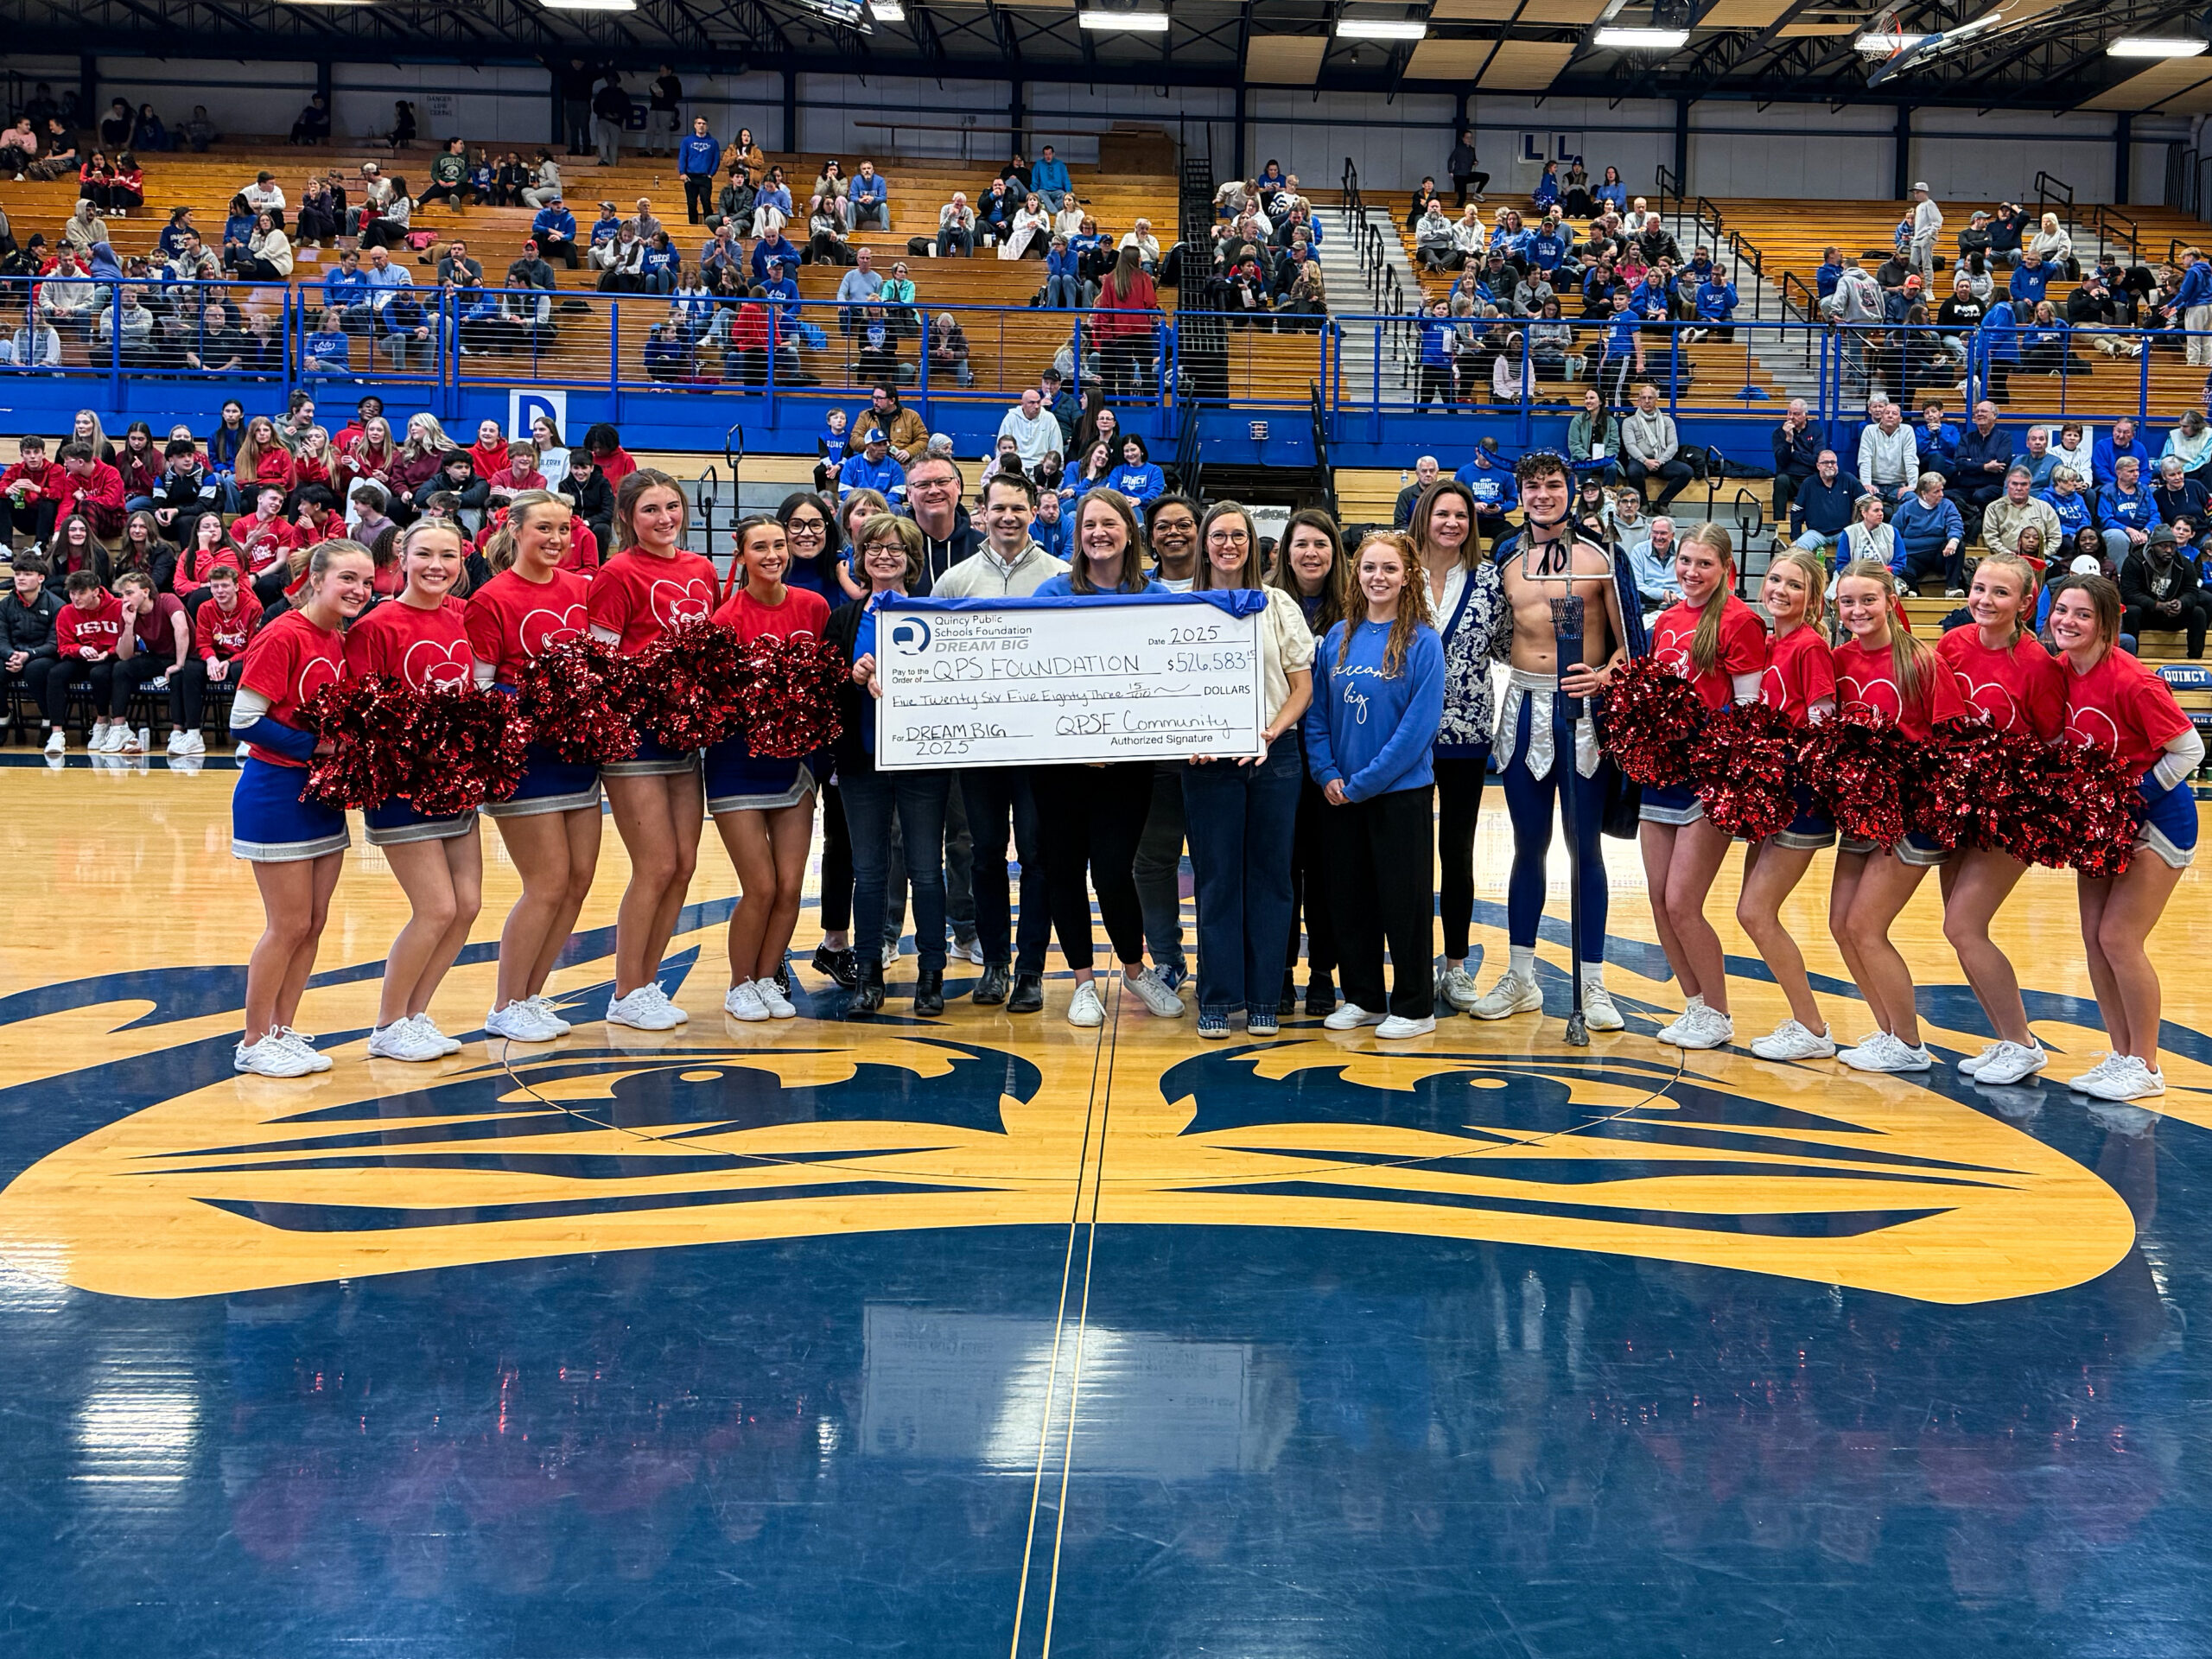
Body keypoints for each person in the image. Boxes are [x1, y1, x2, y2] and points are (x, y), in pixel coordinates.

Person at [1471, 452, 1630, 1028]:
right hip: (1522, 704)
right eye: (1533, 485)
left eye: (1554, 485)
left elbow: (1630, 645)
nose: (1543, 495)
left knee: (1584, 848)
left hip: (1584, 712)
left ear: (1571, 490)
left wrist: (1604, 678)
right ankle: (1520, 977)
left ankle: (1593, 983)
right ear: (1519, 493)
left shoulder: (1602, 557)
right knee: (1527, 845)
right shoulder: (1503, 557)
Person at [1027, 490, 1186, 1027]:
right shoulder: (1051, 593)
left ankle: (1135, 970)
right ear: (1077, 536)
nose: (1099, 533)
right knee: (1065, 870)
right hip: (1059, 766)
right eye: (1089, 524)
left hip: (1128, 766)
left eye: (1109, 523)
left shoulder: (1155, 595)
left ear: (1129, 532)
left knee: (1116, 870)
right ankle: (1082, 983)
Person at [456, 492, 603, 1042]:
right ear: (515, 530)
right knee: (547, 883)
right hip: (523, 759)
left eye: (564, 529)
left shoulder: (581, 589)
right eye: (544, 528)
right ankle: (505, 1003)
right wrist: (541, 701)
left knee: (578, 881)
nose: (556, 539)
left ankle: (530, 995)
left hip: (575, 755)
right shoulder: (490, 598)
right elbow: (480, 688)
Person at [337, 519, 486, 1061]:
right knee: (436, 908)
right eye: (424, 554)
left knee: (466, 905)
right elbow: (360, 710)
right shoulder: (375, 625)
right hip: (402, 783)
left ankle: (414, 1016)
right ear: (402, 558)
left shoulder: (461, 617)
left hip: (456, 782)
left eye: (448, 556)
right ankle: (387, 1024)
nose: (436, 566)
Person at [2051, 575, 2202, 1101]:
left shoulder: (2134, 681)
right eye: (2062, 610)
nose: (2068, 621)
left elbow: (2190, 751)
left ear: (2105, 624)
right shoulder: (2060, 671)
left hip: (2158, 821)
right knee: (2094, 939)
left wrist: (2132, 797)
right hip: (2101, 825)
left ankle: (2147, 1064)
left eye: (2083, 614)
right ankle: (2121, 1056)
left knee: (2119, 938)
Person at [226, 539, 372, 1076]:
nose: (359, 590)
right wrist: (320, 747)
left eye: (366, 581)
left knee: (312, 922)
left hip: (321, 795)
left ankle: (281, 1031)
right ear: (316, 579)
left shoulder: (337, 637)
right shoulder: (283, 634)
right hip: (276, 792)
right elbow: (244, 720)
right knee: (287, 925)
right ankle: (253, 1041)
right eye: (347, 579)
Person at [1923, 550, 2069, 1086]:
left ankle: (2023, 1044)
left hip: (2011, 811)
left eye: (2000, 592)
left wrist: (2013, 790)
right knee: (1960, 929)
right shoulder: (1952, 644)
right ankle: (2009, 1039)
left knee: (1963, 926)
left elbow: (2053, 744)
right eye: (1980, 588)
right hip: (1958, 805)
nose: (1985, 600)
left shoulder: (2038, 665)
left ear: (2026, 602)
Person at [1172, 503, 1317, 1038]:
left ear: (1254, 544)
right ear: (1204, 544)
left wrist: (1271, 732)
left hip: (1275, 756)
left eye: (1239, 535)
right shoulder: (1179, 606)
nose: (1228, 545)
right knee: (1216, 881)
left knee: (1272, 880)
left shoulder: (1278, 605)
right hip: (1206, 763)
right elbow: (1166, 690)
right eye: (1218, 535)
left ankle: (1263, 998)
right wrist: (1190, 735)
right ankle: (1218, 996)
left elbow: (1302, 688)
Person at [1824, 559, 1972, 1074]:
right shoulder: (1838, 660)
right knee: (1841, 924)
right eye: (1848, 601)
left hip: (1913, 814)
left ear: (1890, 601)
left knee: (1865, 925)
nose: (1858, 610)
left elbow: (1953, 746)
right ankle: (1888, 1031)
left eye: (1868, 600)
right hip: (1864, 812)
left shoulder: (1922, 662)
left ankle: (1908, 1043)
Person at [929, 473, 1065, 1009]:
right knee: (984, 855)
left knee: (1037, 855)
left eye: (1018, 508)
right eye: (999, 508)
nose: (1009, 517)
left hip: (1041, 749)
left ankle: (1030, 969)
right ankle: (994, 964)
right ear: (981, 513)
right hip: (978, 747)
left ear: (1033, 512)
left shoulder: (1060, 576)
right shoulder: (956, 581)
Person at [1303, 530, 1446, 1039]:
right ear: (1356, 575)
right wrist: (1327, 773)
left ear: (1407, 578)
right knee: (1349, 899)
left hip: (1399, 794)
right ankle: (1362, 997)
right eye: (1369, 568)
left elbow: (1417, 729)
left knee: (1404, 902)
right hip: (1339, 794)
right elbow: (1317, 715)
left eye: (1389, 569)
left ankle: (1415, 1006)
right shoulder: (1339, 637)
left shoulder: (1424, 642)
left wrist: (1364, 782)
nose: (1378, 577)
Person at [586, 470, 714, 1031]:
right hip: (634, 737)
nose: (665, 519)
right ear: (626, 518)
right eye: (650, 510)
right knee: (656, 865)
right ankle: (625, 990)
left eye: (671, 507)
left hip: (684, 737)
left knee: (683, 865)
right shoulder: (616, 574)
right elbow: (600, 666)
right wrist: (654, 693)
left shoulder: (701, 569)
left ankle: (647, 983)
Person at [1637, 524, 1770, 1050]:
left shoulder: (1740, 621)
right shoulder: (1666, 620)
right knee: (1658, 899)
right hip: (1660, 774)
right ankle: (1695, 1007)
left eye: (1704, 564)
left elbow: (1749, 712)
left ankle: (1718, 1012)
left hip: (1708, 778)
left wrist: (1704, 741)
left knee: (1681, 902)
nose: (1692, 572)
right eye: (1686, 561)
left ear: (1726, 568)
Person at [706, 517, 833, 1020]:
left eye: (779, 545)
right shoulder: (726, 618)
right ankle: (739, 984)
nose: (773, 555)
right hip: (737, 765)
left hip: (794, 767)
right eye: (760, 547)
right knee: (759, 885)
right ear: (741, 555)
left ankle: (765, 979)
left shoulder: (814, 607)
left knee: (789, 886)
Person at [1730, 550, 1842, 1060]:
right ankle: (1805, 1022)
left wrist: (1784, 767)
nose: (1780, 590)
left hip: (1800, 796)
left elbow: (1823, 728)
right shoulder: (1771, 642)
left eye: (1795, 585)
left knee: (1755, 912)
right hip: (1772, 795)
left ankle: (1813, 1028)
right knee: (1752, 911)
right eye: (1775, 579)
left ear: (1813, 599)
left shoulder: (1810, 647)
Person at [1402, 480, 1507, 1012]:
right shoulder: (1398, 573)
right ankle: (1414, 961)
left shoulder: (1490, 580)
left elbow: (1511, 647)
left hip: (1467, 736)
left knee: (1458, 852)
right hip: (1404, 737)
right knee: (1410, 854)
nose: (1451, 523)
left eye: (1461, 515)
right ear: (1424, 517)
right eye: (1441, 513)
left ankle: (1457, 965)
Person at [108, 570, 190, 756]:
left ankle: (177, 733)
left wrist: (179, 663)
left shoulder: (167, 600)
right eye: (122, 595)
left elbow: (182, 629)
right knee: (121, 669)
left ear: (145, 592)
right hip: (156, 656)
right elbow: (124, 655)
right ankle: (119, 729)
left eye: (129, 593)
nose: (124, 599)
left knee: (178, 675)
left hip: (183, 654)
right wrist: (129, 625)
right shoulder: (128, 613)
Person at [2120, 524, 2209, 657]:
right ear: (2152, 546)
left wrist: (2181, 603)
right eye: (2163, 546)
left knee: (2198, 612)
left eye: (2172, 546)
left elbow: (2192, 591)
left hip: (2172, 614)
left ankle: (2195, 659)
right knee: (2131, 611)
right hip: (2146, 614)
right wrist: (2157, 605)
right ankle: (2131, 658)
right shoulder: (2134, 562)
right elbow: (2129, 593)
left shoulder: (2184, 563)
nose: (2169, 550)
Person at [1621, 383, 1691, 511]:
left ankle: (1662, 504)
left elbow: (1673, 445)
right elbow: (1630, 446)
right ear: (1639, 400)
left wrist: (1660, 461)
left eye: (1650, 398)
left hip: (1661, 461)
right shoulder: (1629, 422)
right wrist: (1645, 461)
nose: (1647, 401)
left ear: (1656, 400)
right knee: (1633, 471)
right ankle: (1643, 504)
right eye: (1643, 398)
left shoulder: (1667, 421)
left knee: (1686, 471)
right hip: (1640, 461)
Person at [1447, 130, 1488, 207]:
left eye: (1471, 138)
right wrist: (1450, 171)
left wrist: (1475, 162)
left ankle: (1477, 193)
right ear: (1463, 139)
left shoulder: (1472, 150)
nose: (1469, 139)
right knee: (1462, 198)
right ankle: (1457, 211)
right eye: (1467, 137)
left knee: (1485, 176)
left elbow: (1473, 160)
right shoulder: (1459, 149)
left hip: (1467, 174)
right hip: (1459, 175)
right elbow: (1450, 160)